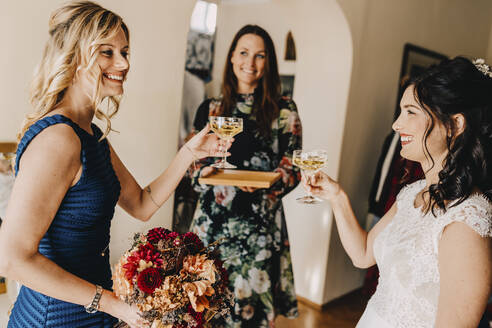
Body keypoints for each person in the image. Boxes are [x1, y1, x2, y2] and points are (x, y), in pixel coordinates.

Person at [0, 2, 230, 327]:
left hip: (94, 313)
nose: (123, 63)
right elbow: (11, 260)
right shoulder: (59, 140)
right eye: (107, 52)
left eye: (125, 51)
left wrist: (189, 154)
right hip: (54, 318)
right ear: (75, 56)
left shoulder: (91, 136)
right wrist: (112, 304)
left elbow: (141, 204)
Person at [304, 56, 492, 327]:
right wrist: (337, 196)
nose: (396, 124)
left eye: (410, 112)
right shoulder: (412, 194)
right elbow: (363, 254)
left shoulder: (467, 221)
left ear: (455, 125)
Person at [188, 25, 302, 327]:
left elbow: (294, 166)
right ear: (231, 58)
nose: (250, 62)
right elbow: (191, 165)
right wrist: (205, 173)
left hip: (259, 228)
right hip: (212, 225)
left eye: (259, 55)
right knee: (204, 309)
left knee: (250, 315)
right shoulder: (209, 109)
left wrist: (271, 181)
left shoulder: (284, 110)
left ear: (269, 63)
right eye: (243, 52)